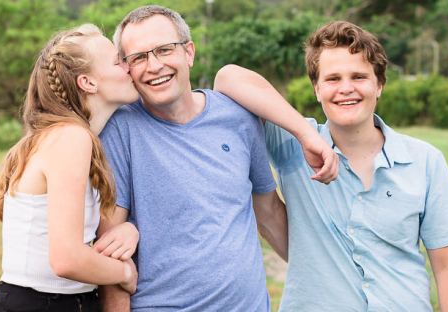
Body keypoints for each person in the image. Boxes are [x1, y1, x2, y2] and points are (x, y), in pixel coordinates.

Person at [216, 21, 448, 311]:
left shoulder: (425, 161)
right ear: (316, 89)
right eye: (333, 79)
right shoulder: (293, 146)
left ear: (379, 85)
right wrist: (305, 133)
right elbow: (227, 78)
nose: (346, 89)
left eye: (359, 77)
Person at [97, 5, 338, 312]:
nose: (154, 66)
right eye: (139, 57)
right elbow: (111, 248)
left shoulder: (235, 116)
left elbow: (268, 211)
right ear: (128, 67)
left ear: (189, 53)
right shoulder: (120, 130)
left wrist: (328, 270)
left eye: (164, 50)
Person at [0, 24, 141, 312]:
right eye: (118, 61)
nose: (129, 66)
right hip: (44, 304)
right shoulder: (72, 138)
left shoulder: (67, 137)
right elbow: (67, 259)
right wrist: (125, 273)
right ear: (88, 83)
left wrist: (129, 231)